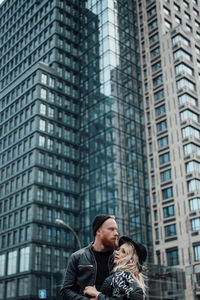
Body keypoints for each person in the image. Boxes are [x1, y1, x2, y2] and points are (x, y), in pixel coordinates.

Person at [60, 214, 119, 300]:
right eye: (111, 229)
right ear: (98, 231)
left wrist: (99, 297)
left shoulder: (120, 259)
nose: (116, 233)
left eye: (116, 229)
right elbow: (65, 291)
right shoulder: (78, 257)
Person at [83, 236, 147, 300]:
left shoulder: (122, 275)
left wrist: (97, 294)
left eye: (123, 251)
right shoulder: (131, 279)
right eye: (119, 249)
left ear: (131, 259)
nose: (116, 252)